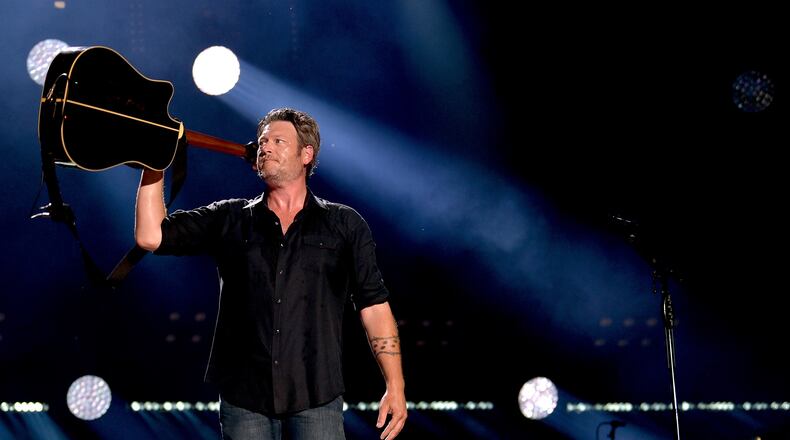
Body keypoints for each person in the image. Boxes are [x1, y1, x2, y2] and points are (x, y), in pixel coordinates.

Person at [134, 108, 407, 439]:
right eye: (263, 141)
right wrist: (154, 161)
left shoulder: (344, 224)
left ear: (306, 154)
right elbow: (150, 235)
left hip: (316, 397)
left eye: (279, 141)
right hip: (244, 399)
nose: (266, 147)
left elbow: (374, 305)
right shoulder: (230, 217)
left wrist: (395, 384)